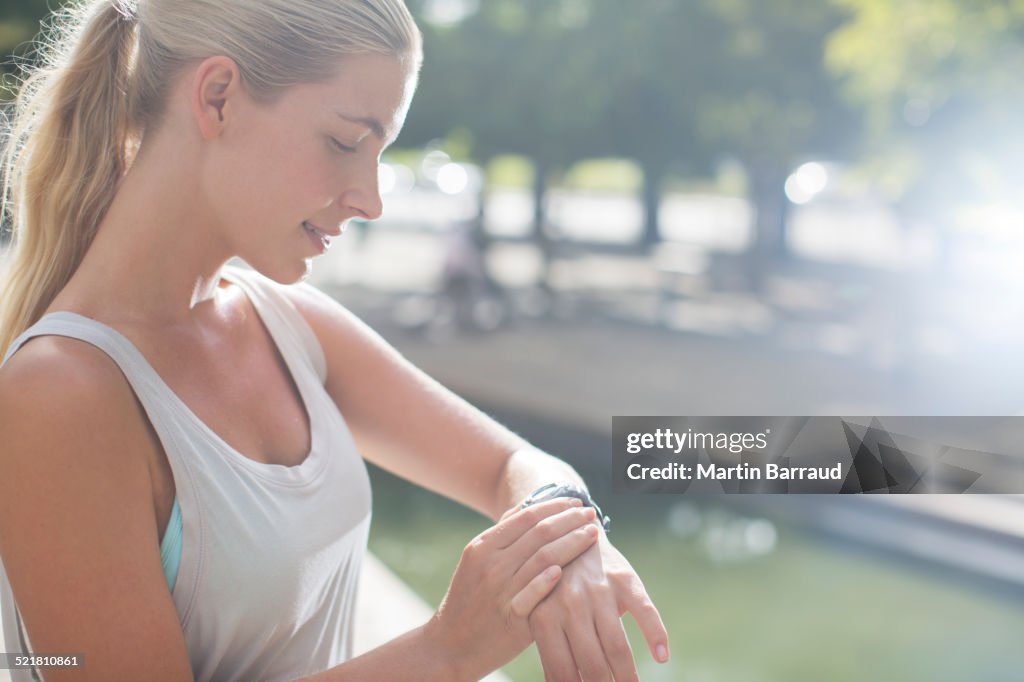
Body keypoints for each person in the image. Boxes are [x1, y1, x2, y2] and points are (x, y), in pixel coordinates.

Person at [0, 1, 669, 680]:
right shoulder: (58, 395)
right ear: (218, 97)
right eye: (347, 142)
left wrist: (566, 524)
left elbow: (513, 467)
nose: (372, 199)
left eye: (381, 152)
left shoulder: (291, 325)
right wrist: (449, 648)